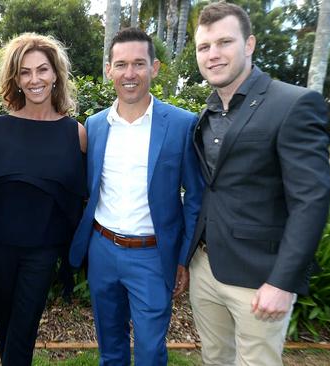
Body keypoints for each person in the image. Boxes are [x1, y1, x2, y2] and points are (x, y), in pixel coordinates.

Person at [187, 2, 330, 365]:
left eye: (224, 43)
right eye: (204, 47)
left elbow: (311, 201)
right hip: (206, 267)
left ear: (249, 44)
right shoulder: (207, 112)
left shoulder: (293, 103)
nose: (213, 55)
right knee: (214, 358)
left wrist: (283, 282)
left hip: (259, 277)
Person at [68, 28, 203, 365]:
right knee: (109, 346)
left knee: (150, 350)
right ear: (109, 69)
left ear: (154, 68)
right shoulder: (95, 125)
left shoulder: (182, 124)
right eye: (121, 64)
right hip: (102, 250)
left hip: (152, 256)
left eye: (139, 64)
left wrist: (183, 258)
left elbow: (196, 197)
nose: (130, 74)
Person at [0, 33, 87, 365]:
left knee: (22, 333)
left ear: (55, 74)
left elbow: (79, 195)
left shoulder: (76, 133)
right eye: (25, 72)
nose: (34, 79)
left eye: (42, 70)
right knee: (5, 332)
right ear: (16, 78)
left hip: (41, 252)